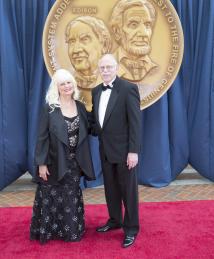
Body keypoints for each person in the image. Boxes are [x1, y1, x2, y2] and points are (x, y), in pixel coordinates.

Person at [30, 69, 95, 244]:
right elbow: (42, 137)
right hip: (53, 160)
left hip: (74, 163)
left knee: (70, 196)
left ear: (73, 84)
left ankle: (71, 231)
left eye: (69, 82)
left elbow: (89, 129)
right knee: (50, 195)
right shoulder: (50, 108)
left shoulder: (80, 107)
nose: (67, 86)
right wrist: (41, 164)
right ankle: (49, 231)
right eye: (62, 83)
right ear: (56, 87)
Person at [90, 54, 141, 248]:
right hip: (105, 150)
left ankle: (131, 228)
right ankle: (115, 220)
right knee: (110, 190)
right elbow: (97, 124)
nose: (105, 70)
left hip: (125, 152)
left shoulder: (128, 89)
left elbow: (135, 123)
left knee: (128, 192)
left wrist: (133, 151)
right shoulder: (96, 91)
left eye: (109, 67)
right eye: (102, 67)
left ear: (116, 67)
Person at [110, 0, 158, 82]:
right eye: (134, 25)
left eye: (147, 25)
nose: (144, 34)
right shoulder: (105, 66)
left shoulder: (157, 70)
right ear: (117, 31)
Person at [65, 16, 112, 89]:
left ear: (104, 45)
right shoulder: (66, 82)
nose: (76, 50)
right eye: (72, 42)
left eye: (84, 39)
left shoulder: (115, 81)